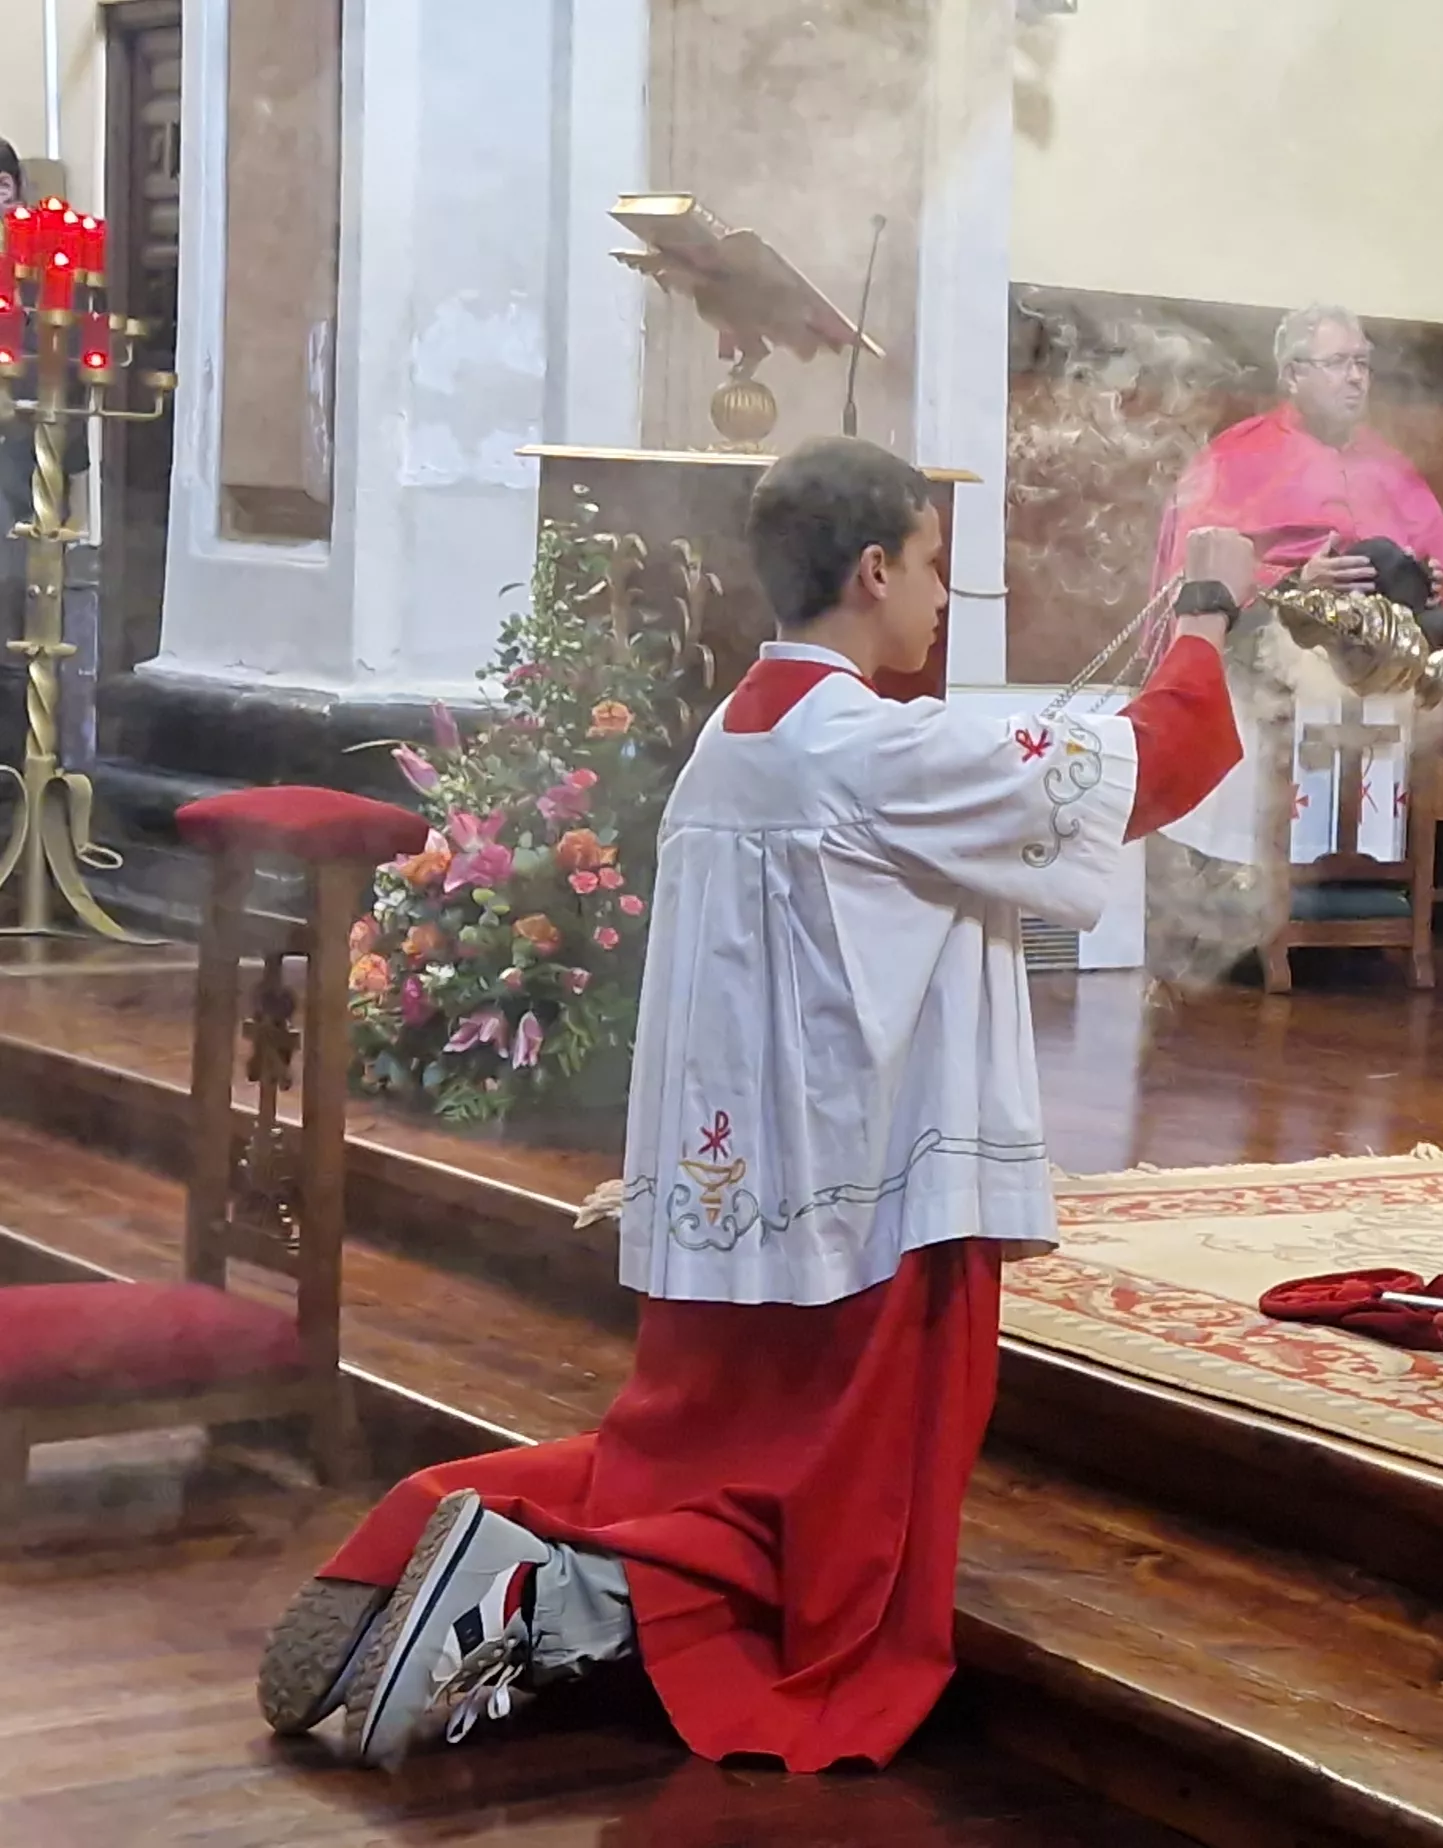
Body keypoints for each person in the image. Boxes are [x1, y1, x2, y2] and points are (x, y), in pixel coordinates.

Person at [258, 437, 1238, 1771]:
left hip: (734, 1222)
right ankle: (548, 1609)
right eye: (937, 567)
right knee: (825, 1535)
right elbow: (1158, 762)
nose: (945, 601)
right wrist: (1207, 618)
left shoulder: (737, 737)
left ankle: (433, 1539)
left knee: (678, 1463)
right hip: (868, 1220)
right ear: (874, 566)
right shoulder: (873, 749)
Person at [1150, 303, 1443, 874]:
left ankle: (1360, 882)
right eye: (1337, 363)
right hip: (1265, 665)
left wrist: (1428, 582)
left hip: (1375, 673)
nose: (1355, 377)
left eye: (1363, 364)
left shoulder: (1391, 466)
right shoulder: (1237, 455)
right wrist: (1299, 584)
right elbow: (1197, 578)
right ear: (1292, 374)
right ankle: (1251, 889)